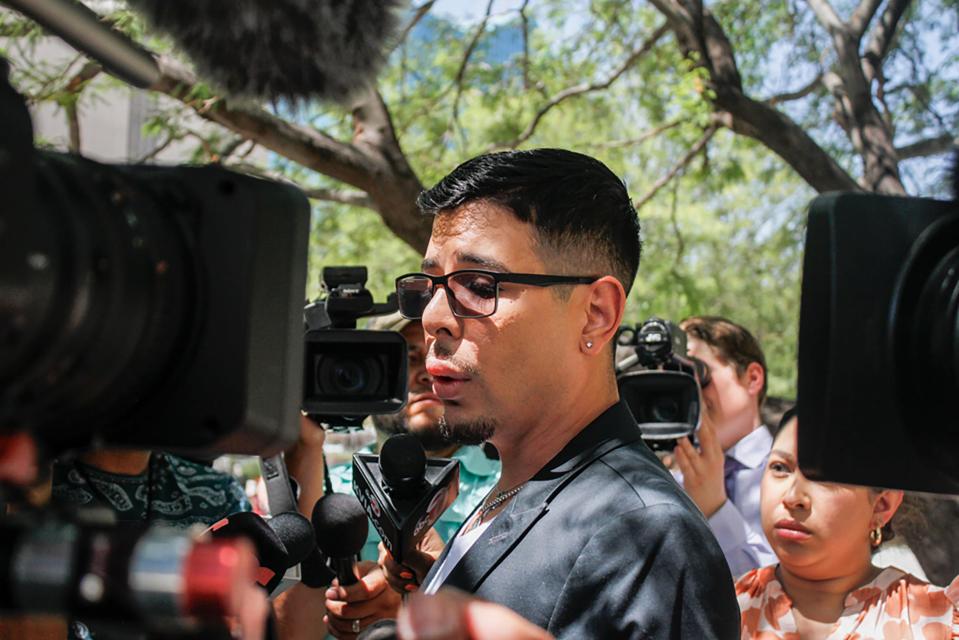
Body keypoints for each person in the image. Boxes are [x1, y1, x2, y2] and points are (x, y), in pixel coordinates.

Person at [385, 148, 740, 638]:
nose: (432, 317)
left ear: (596, 313)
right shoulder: (517, 485)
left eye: (478, 284)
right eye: (430, 285)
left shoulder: (646, 535)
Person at [321, 314, 501, 639]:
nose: (426, 373)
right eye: (408, 359)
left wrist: (413, 605)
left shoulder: (511, 489)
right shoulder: (327, 490)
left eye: (444, 356)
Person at [736, 410, 959, 638]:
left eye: (823, 477)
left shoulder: (936, 623)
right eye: (780, 468)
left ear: (882, 505)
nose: (793, 498)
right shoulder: (721, 606)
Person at [672, 316, 778, 576]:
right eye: (679, 376)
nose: (690, 388)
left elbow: (785, 590)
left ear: (753, 378)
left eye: (699, 373)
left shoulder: (793, 477)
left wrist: (715, 510)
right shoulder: (672, 480)